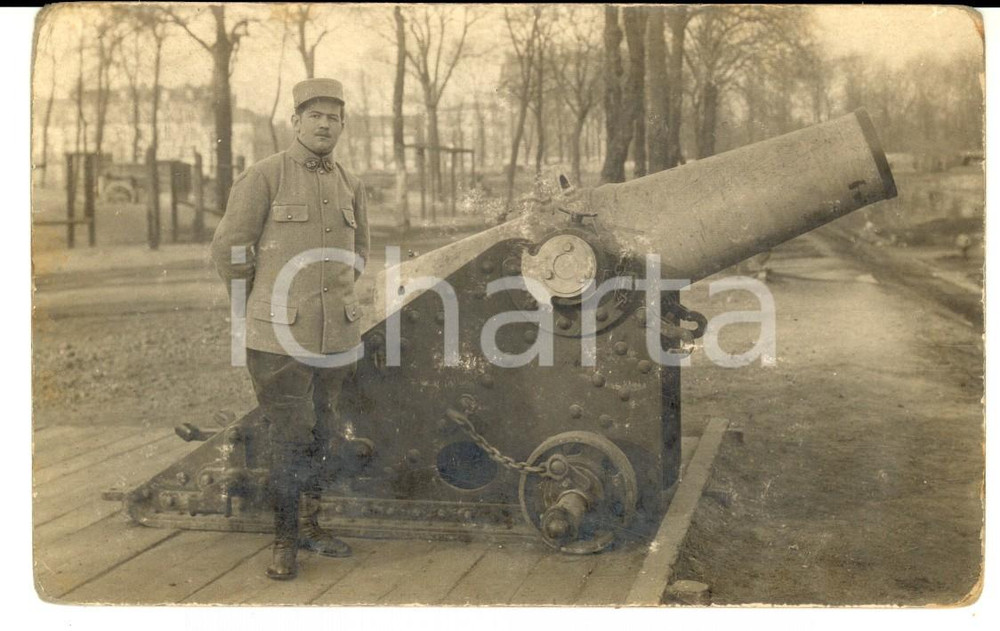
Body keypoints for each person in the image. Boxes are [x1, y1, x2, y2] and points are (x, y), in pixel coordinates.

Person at [210, 78, 369, 580]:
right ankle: (284, 541)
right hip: (278, 338)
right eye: (314, 115)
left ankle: (311, 525)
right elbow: (231, 249)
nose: (324, 124)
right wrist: (258, 302)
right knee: (291, 437)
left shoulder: (350, 182)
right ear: (295, 121)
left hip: (337, 337)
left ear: (342, 126)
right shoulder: (265, 176)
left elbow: (359, 252)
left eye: (334, 117)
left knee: (323, 432)